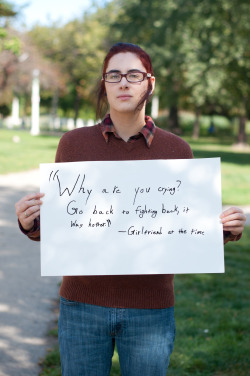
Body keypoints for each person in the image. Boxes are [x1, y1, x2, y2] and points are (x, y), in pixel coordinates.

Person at [15, 42, 246, 376]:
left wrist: (224, 230)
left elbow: (185, 233)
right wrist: (31, 224)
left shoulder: (177, 150)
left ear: (149, 83)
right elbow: (62, 230)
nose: (123, 82)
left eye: (133, 74)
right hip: (81, 305)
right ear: (104, 85)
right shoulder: (73, 145)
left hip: (150, 307)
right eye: (114, 75)